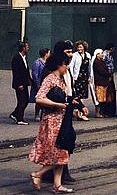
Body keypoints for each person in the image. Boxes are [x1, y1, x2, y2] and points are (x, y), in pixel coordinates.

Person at [28, 44, 76, 193]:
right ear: (58, 65)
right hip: (52, 122)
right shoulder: (50, 79)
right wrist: (57, 104)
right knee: (59, 154)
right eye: (65, 65)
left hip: (61, 121)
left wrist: (72, 103)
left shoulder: (60, 79)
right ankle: (38, 174)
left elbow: (65, 97)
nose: (67, 67)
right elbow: (39, 98)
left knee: (62, 152)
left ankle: (57, 185)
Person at [10, 41, 32, 126]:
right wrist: (19, 84)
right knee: (22, 101)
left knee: (26, 100)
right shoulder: (16, 58)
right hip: (20, 84)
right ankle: (19, 119)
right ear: (23, 48)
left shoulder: (24, 58)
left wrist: (30, 80)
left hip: (25, 83)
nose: (28, 48)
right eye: (27, 47)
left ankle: (15, 114)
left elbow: (26, 71)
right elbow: (16, 72)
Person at [71, 41, 91, 121]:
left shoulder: (88, 55)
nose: (79, 48)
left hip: (84, 77)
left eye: (81, 47)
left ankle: (79, 112)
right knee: (77, 95)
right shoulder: (74, 55)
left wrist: (90, 76)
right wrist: (72, 77)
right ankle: (79, 113)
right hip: (77, 77)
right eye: (78, 47)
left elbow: (90, 67)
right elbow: (72, 66)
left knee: (82, 96)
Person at [30, 48, 50, 122]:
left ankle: (45, 113)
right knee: (38, 100)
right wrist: (38, 85)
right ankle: (37, 114)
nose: (49, 54)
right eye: (48, 53)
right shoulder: (37, 63)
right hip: (39, 85)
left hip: (46, 84)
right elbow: (35, 75)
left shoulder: (47, 62)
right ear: (46, 54)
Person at [93, 49, 112, 118]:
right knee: (100, 99)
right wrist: (108, 74)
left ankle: (102, 112)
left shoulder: (101, 61)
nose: (102, 54)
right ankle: (99, 112)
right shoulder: (97, 62)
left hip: (104, 82)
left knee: (104, 98)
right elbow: (102, 71)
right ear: (97, 54)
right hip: (100, 82)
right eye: (101, 53)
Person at [102, 43, 117, 117]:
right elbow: (104, 64)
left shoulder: (109, 54)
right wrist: (108, 75)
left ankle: (111, 111)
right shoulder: (105, 54)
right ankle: (107, 111)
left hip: (110, 75)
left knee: (111, 93)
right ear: (111, 48)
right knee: (109, 93)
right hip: (107, 76)